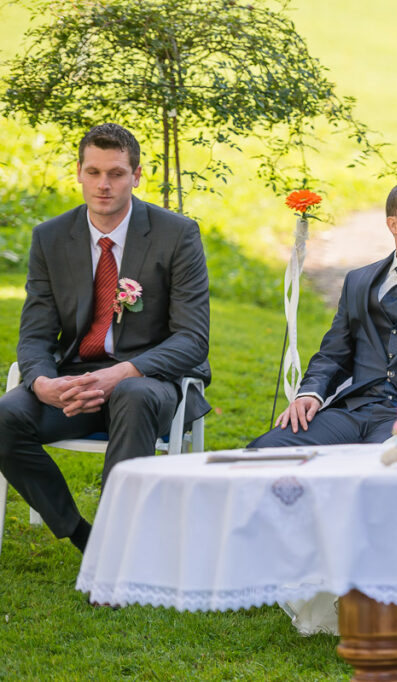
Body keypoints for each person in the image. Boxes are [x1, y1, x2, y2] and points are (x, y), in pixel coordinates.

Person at [0, 123, 211, 554]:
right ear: (78, 172)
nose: (103, 185)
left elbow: (192, 338)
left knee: (131, 395)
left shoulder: (177, 234)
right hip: (75, 380)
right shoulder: (51, 237)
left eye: (116, 173)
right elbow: (36, 333)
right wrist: (43, 383)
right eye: (93, 172)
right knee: (4, 416)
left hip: (148, 379)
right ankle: (85, 536)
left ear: (136, 175)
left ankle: (119, 551)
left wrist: (120, 374)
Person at [247, 178, 397, 450]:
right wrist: (309, 393)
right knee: (264, 450)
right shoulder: (358, 280)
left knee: (377, 467)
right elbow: (334, 352)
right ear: (393, 224)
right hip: (352, 411)